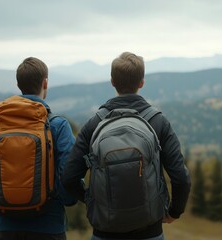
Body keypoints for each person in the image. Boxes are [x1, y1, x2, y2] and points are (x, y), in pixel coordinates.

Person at [62, 52, 191, 240]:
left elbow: (69, 178)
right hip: (150, 230)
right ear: (142, 83)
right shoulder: (158, 122)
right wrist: (174, 212)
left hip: (105, 230)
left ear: (112, 81)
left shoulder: (94, 124)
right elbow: (181, 178)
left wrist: (94, 201)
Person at [0, 57, 77, 240]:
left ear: (18, 84)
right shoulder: (58, 126)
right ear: (45, 83)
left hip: (6, 228)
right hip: (49, 227)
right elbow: (69, 174)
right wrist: (66, 200)